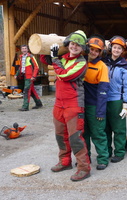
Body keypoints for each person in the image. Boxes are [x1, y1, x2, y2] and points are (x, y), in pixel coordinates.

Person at [50, 30, 91, 181]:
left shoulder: (81, 63)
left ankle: (84, 168)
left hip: (74, 104)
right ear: (68, 44)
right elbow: (44, 57)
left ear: (82, 49)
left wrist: (55, 59)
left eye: (78, 45)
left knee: (75, 138)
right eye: (72, 44)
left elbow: (65, 75)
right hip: (59, 104)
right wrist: (51, 40)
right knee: (60, 136)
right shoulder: (63, 58)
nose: (74, 47)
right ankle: (65, 161)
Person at [103, 36, 127, 163]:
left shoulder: (124, 66)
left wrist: (126, 103)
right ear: (111, 48)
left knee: (119, 128)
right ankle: (107, 151)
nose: (116, 50)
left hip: (117, 100)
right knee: (106, 128)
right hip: (104, 99)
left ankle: (119, 152)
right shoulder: (104, 62)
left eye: (119, 48)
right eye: (114, 47)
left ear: (122, 51)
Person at [83, 34, 110, 170]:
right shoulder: (81, 62)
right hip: (81, 104)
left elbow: (103, 91)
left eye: (96, 50)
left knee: (98, 133)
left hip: (94, 105)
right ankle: (85, 158)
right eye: (91, 49)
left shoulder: (102, 67)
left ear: (100, 52)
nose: (93, 52)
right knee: (83, 133)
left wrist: (100, 110)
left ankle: (103, 158)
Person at [14, 45, 43, 111]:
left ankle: (25, 107)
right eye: (23, 49)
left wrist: (33, 76)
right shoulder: (21, 57)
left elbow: (36, 67)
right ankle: (39, 104)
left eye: (25, 48)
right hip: (25, 76)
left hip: (29, 77)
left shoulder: (31, 57)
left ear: (27, 49)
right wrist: (17, 74)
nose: (24, 50)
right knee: (31, 91)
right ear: (21, 50)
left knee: (26, 91)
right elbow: (21, 67)